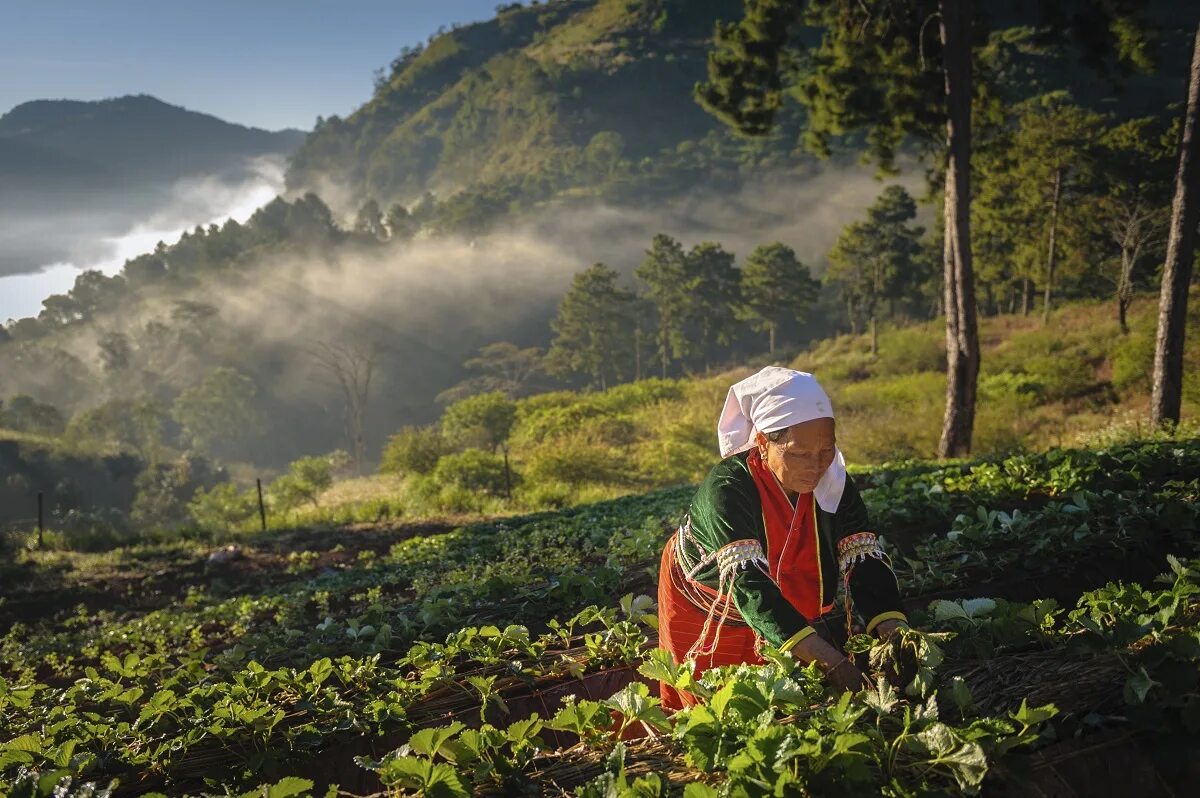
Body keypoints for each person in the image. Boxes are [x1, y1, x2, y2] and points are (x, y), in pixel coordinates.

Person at [656, 366, 907, 709]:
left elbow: (864, 561)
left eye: (826, 451)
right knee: (715, 699)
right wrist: (833, 663)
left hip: (776, 591)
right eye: (799, 454)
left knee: (781, 687)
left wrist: (895, 634)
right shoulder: (728, 486)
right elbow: (748, 584)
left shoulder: (833, 484)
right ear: (762, 442)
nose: (816, 466)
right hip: (705, 596)